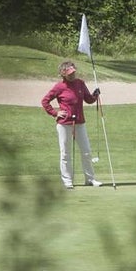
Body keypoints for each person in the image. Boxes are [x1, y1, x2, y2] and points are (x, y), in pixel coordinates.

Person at [41, 60, 103, 189]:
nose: (72, 75)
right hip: (64, 124)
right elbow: (45, 101)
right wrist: (55, 113)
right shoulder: (59, 87)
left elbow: (88, 99)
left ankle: (90, 179)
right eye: (69, 73)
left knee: (86, 152)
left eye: (73, 72)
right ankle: (67, 181)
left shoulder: (80, 83)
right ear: (63, 74)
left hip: (80, 122)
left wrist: (95, 95)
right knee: (65, 153)